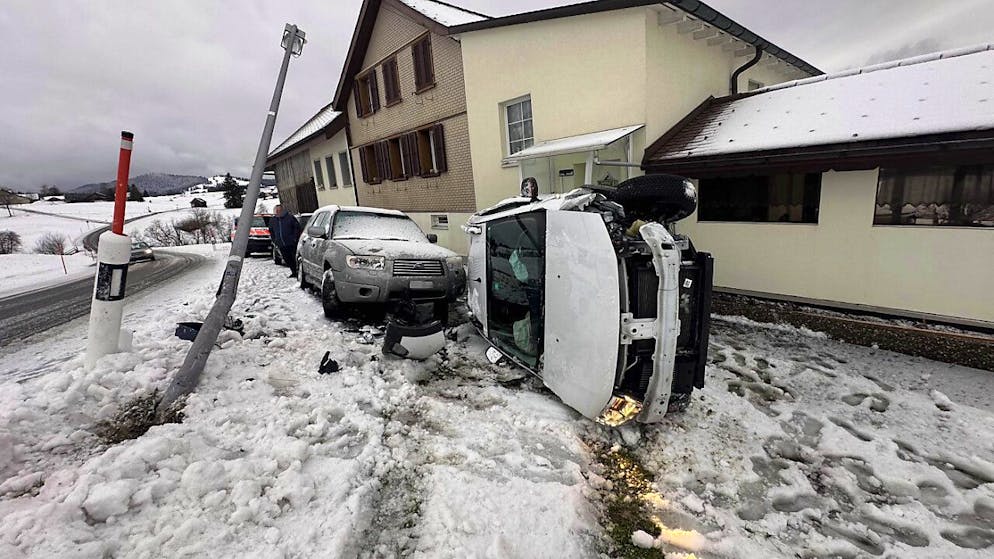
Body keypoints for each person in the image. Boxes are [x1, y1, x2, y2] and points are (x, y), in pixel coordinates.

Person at [270, 204, 302, 277]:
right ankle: (293, 271)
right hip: (281, 243)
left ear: (282, 210)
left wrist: (294, 238)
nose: (278, 212)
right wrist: (275, 240)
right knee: (286, 259)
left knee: (294, 258)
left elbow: (297, 228)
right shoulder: (273, 220)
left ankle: (298, 272)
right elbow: (271, 230)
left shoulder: (290, 218)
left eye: (279, 210)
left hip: (291, 243)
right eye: (276, 211)